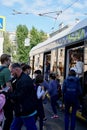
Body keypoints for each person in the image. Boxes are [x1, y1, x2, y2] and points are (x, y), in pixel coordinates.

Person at [9, 63, 37, 130]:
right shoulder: (20, 78)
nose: (11, 74)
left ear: (17, 69)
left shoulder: (24, 80)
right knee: (14, 127)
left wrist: (9, 95)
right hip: (22, 110)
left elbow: (20, 95)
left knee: (30, 127)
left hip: (25, 110)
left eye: (12, 71)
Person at [0, 54, 13, 130]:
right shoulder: (6, 70)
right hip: (4, 96)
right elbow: (8, 86)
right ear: (5, 61)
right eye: (9, 60)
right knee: (9, 116)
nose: (10, 62)